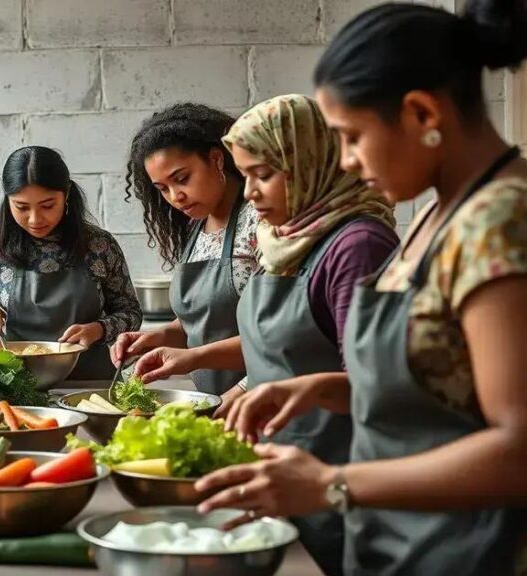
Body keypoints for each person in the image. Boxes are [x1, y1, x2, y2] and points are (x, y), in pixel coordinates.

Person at [198, 2, 527, 575]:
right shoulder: (438, 216)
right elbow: (439, 397)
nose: (344, 160)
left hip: (465, 553)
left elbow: (517, 448)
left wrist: (332, 484)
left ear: (422, 113)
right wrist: (323, 388)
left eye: (350, 137)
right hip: (396, 542)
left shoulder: (501, 223)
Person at [139, 94, 398, 576]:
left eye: (262, 174)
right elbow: (274, 350)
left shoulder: (357, 246)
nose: (251, 194)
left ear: (309, 160)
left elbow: (378, 389)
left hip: (334, 469)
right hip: (278, 461)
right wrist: (235, 394)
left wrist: (214, 370)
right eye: (248, 175)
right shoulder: (286, 239)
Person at [0, 146, 142, 381]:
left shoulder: (99, 245)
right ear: (7, 200)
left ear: (67, 195)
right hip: (14, 381)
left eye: (47, 205)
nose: (35, 219)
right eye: (21, 207)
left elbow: (131, 313)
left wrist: (99, 330)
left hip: (90, 380)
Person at [113, 103, 259, 404]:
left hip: (257, 396)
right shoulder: (196, 228)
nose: (175, 197)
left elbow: (278, 337)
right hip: (213, 399)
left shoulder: (260, 220)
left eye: (182, 178)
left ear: (216, 158)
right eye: (162, 188)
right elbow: (203, 323)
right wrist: (161, 337)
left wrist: (236, 394)